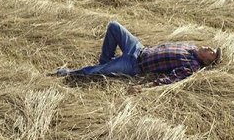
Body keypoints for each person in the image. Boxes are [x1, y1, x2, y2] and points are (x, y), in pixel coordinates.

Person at [51, 21, 221, 91]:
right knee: (114, 26)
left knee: (95, 72)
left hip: (134, 65)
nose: (208, 47)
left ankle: (67, 73)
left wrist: (144, 88)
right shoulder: (191, 47)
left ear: (207, 61)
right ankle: (105, 62)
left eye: (211, 52)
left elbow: (171, 79)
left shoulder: (192, 65)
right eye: (211, 48)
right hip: (139, 48)